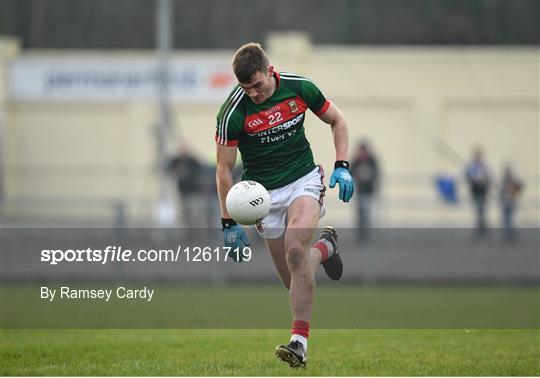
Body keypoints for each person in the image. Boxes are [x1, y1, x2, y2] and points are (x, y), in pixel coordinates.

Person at [215, 42, 354, 368]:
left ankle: (299, 344)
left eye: (257, 85)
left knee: (294, 251)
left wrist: (343, 164)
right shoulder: (233, 112)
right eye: (246, 88)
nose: (253, 94)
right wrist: (228, 223)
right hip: (263, 198)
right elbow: (222, 170)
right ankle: (325, 248)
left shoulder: (299, 88)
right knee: (295, 280)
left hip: (303, 180)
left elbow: (339, 120)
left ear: (270, 71)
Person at [350, 141, 379, 240]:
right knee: (360, 214)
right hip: (359, 191)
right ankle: (360, 235)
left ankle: (366, 235)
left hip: (369, 192)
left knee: (366, 214)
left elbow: (376, 174)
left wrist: (368, 177)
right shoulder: (356, 161)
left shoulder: (372, 160)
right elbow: (350, 173)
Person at [464, 147, 491, 236]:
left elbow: (489, 178)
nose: (477, 158)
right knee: (478, 211)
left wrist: (483, 180)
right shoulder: (471, 167)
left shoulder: (484, 166)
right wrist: (474, 178)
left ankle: (482, 229)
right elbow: (467, 176)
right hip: (475, 192)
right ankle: (481, 229)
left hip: (483, 192)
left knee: (481, 211)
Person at [499, 165, 523, 242]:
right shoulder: (506, 180)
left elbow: (519, 188)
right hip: (507, 203)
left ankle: (509, 235)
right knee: (508, 219)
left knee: (509, 219)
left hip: (510, 203)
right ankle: (509, 234)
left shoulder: (512, 181)